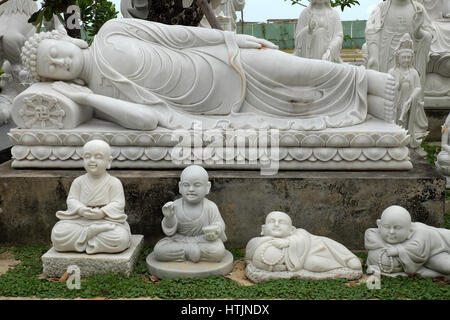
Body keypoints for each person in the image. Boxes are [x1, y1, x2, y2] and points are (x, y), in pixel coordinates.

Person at [21, 18, 395, 132]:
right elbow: (148, 120)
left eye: (55, 53)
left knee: (304, 69)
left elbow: (180, 36)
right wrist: (85, 98)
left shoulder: (112, 31)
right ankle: (374, 105)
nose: (58, 63)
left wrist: (231, 37)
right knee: (301, 105)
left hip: (223, 61)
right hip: (214, 110)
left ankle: (375, 85)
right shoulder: (102, 94)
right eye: (51, 68)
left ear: (69, 40)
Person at [51, 140, 131, 254]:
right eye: (87, 156)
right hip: (81, 220)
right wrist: (81, 209)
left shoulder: (114, 182)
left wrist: (102, 212)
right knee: (58, 233)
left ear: (109, 161)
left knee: (120, 237)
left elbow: (118, 203)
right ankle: (91, 233)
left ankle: (86, 237)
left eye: (98, 157)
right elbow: (72, 200)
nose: (92, 160)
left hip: (105, 221)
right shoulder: (78, 181)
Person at [245, 211, 361, 274]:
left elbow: (302, 239)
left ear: (291, 230)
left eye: (282, 222)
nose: (276, 224)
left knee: (326, 244)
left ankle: (347, 258)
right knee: (313, 263)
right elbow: (249, 258)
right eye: (271, 221)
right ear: (263, 228)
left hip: (312, 248)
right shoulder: (255, 243)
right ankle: (339, 266)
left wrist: (288, 242)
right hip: (306, 259)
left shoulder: (299, 234)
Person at [153, 165, 227, 263]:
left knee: (218, 250)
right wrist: (169, 217)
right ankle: (191, 252)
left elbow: (219, 224)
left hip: (203, 240)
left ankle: (187, 253)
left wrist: (216, 229)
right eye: (186, 185)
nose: (191, 189)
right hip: (180, 240)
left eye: (197, 185)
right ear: (180, 187)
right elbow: (169, 232)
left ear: (207, 187)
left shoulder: (210, 207)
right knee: (159, 250)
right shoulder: (175, 205)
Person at [365, 205, 450, 278]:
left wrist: (397, 250)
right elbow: (370, 235)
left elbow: (417, 248)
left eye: (397, 228)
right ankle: (441, 275)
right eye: (387, 226)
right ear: (379, 225)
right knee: (445, 267)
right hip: (431, 256)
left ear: (410, 230)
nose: (391, 232)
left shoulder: (421, 233)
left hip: (440, 246)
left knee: (447, 267)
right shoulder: (374, 233)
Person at [365, 0, 434, 87]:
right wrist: (373, 55)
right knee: (387, 87)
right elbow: (372, 31)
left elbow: (428, 35)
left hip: (410, 58)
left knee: (410, 86)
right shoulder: (381, 8)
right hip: (386, 56)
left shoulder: (418, 8)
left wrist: (418, 32)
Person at [388, 33, 428, 150]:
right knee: (397, 120)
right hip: (396, 102)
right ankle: (394, 137)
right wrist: (397, 85)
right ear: (398, 58)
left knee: (406, 121)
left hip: (409, 101)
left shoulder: (414, 72)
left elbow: (418, 88)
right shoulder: (392, 72)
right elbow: (387, 87)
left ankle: (407, 138)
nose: (406, 60)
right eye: (403, 57)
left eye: (408, 57)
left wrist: (411, 100)